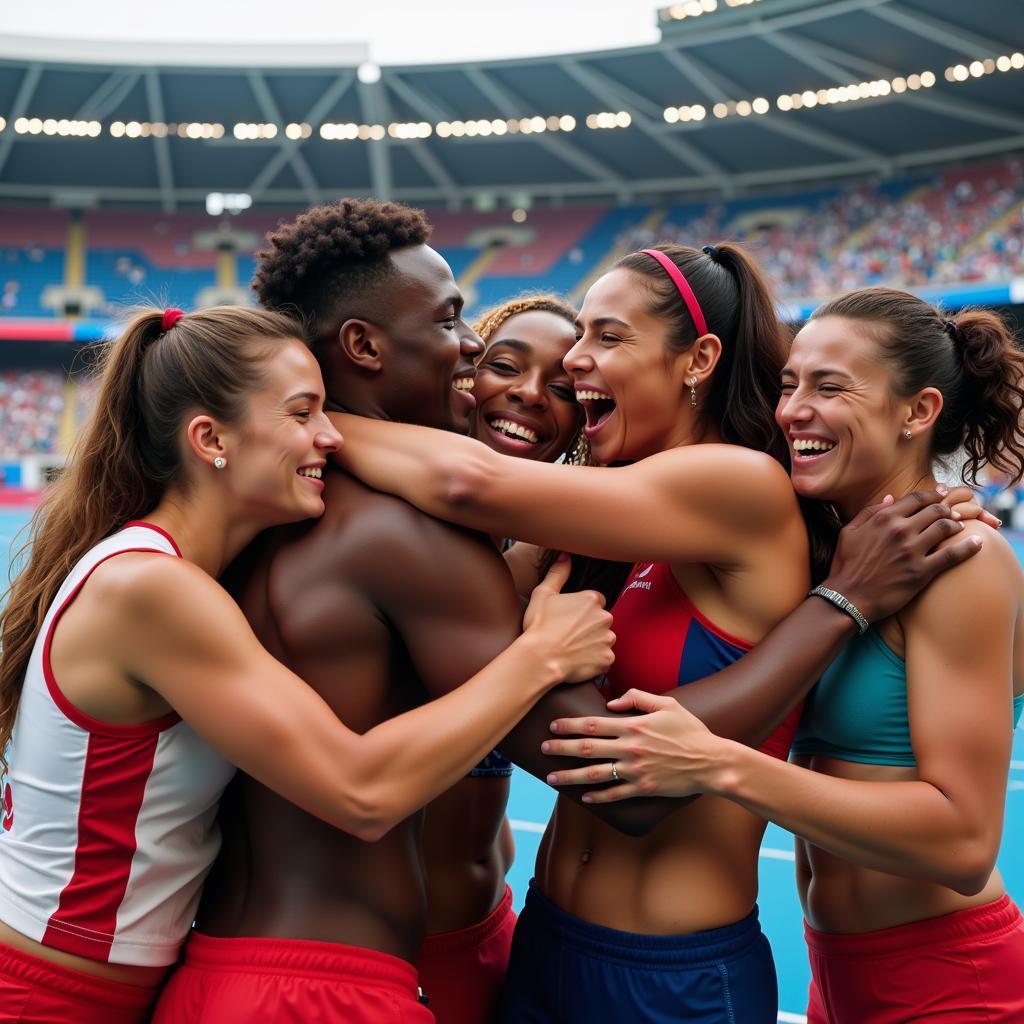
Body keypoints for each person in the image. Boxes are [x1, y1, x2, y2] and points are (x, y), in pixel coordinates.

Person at [333, 246, 982, 1022]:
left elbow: (467, 482)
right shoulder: (607, 515)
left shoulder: (735, 481)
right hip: (548, 941)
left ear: (698, 359)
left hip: (672, 977)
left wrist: (301, 414)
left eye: (607, 337)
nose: (576, 361)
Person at [0, 305, 614, 1024]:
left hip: (111, 983)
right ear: (210, 440)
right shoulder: (152, 589)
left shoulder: (182, 572)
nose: (333, 436)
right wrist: (539, 658)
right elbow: (360, 792)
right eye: (303, 414)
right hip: (51, 994)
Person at [543, 288, 1024, 1022]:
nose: (793, 409)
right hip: (837, 971)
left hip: (947, 977)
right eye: (790, 384)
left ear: (918, 412)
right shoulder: (839, 550)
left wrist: (718, 764)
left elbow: (961, 842)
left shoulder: (962, 558)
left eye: (829, 387)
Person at [418, 293, 584, 1024]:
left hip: (494, 941)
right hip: (394, 954)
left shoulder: (550, 552)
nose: (527, 393)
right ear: (469, 377)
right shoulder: (394, 532)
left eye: (562, 387)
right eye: (506, 366)